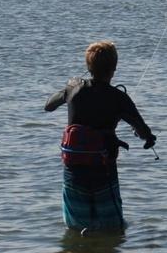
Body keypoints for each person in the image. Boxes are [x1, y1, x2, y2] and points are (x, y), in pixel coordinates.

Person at [45, 41, 156, 232]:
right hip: (104, 173)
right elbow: (144, 132)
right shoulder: (119, 98)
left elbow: (48, 106)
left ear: (88, 66)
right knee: (111, 230)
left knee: (76, 229)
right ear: (114, 68)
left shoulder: (73, 87)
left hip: (74, 172)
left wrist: (69, 89)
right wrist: (149, 139)